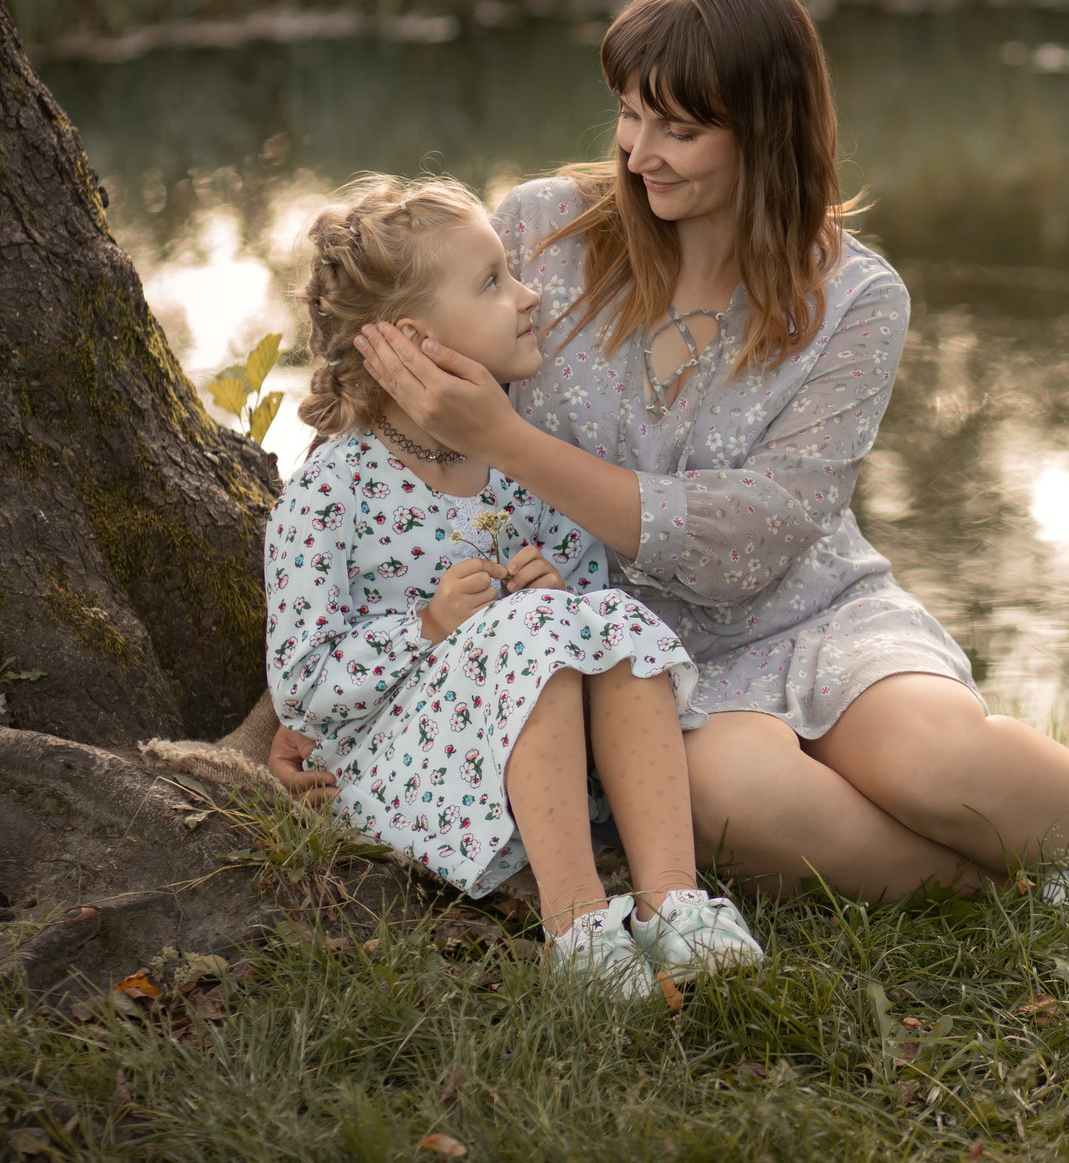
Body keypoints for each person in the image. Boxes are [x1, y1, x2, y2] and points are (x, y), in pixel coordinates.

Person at [274, 0, 1069, 933]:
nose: (638, 153)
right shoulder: (539, 231)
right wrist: (282, 721)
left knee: (933, 757)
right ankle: (1050, 899)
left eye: (678, 131)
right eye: (628, 116)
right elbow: (372, 441)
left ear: (765, 130)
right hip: (630, 657)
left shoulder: (855, 299)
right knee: (741, 796)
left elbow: (758, 537)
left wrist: (509, 439)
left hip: (810, 608)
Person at [266, 172, 765, 1000]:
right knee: (536, 628)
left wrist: (557, 583)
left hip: (525, 767)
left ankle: (675, 902)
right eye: (494, 281)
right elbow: (304, 689)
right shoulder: (331, 493)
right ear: (416, 339)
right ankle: (579, 930)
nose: (529, 295)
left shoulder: (519, 458)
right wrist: (426, 627)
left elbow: (588, 609)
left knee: (603, 616)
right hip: (409, 778)